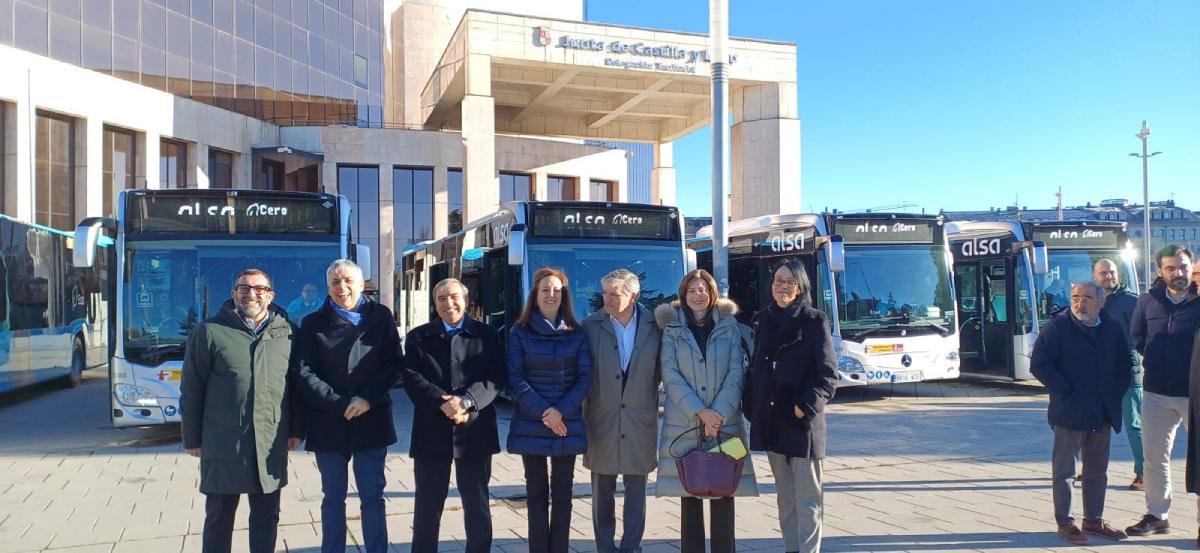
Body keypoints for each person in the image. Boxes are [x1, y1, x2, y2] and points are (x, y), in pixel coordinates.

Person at [181, 269, 302, 553]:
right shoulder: (209, 332)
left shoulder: (286, 332)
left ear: (270, 296)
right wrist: (192, 438)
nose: (251, 294)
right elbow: (192, 389)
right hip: (223, 442)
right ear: (234, 293)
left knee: (266, 516)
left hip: (269, 442)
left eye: (260, 289)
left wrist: (296, 430)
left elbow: (295, 388)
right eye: (244, 288)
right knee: (219, 518)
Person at [292, 259, 402, 553]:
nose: (342, 288)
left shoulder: (381, 316)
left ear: (362, 284)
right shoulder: (313, 323)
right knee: (333, 497)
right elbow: (303, 373)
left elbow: (394, 364)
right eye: (335, 282)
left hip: (372, 418)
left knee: (372, 496)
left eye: (348, 281)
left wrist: (367, 398)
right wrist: (341, 403)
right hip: (329, 421)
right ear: (328, 287)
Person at [654, 269, 757, 553]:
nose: (697, 295)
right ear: (683, 295)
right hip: (686, 421)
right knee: (690, 491)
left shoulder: (728, 326)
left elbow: (736, 372)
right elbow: (670, 375)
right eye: (691, 291)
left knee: (725, 487)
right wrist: (701, 412)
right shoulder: (672, 328)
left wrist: (717, 414)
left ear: (711, 293)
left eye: (702, 290)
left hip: (725, 422)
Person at [402, 278, 504, 553]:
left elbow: (495, 377)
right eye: (441, 298)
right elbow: (411, 376)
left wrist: (467, 401)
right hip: (431, 431)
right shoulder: (418, 337)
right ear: (435, 303)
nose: (449, 303)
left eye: (454, 297)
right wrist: (442, 402)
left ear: (466, 300)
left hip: (475, 431)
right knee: (427, 505)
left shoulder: (488, 335)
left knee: (477, 504)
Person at [743, 259, 837, 553]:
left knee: (807, 499)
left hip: (801, 425)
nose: (782, 287)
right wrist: (751, 404)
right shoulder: (762, 320)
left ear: (800, 287)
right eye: (777, 281)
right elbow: (756, 366)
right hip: (771, 422)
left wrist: (804, 406)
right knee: (785, 499)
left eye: (789, 282)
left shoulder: (814, 321)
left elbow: (828, 376)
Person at [1031, 281, 1132, 544]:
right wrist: (1066, 390)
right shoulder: (1059, 326)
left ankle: (1094, 520)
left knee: (1097, 469)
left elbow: (1124, 364)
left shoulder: (1111, 327)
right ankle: (1066, 523)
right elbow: (1039, 364)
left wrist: (1115, 393)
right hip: (1070, 410)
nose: (1080, 303)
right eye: (1075, 297)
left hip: (1102, 410)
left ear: (1101, 302)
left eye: (1087, 298)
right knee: (1064, 471)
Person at [507, 267, 593, 553]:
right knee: (536, 496)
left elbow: (585, 378)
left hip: (566, 423)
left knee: (563, 496)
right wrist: (547, 413)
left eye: (557, 290)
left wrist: (561, 412)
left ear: (564, 296)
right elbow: (515, 379)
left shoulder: (577, 334)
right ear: (536, 294)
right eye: (545, 289)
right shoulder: (519, 332)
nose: (551, 295)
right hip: (532, 422)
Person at [580, 269, 662, 553]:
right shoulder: (589, 326)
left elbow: (664, 371)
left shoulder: (656, 326)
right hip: (601, 419)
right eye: (605, 293)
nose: (607, 299)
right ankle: (605, 547)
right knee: (601, 491)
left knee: (636, 491)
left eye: (614, 294)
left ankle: (631, 547)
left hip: (639, 419)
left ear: (633, 296)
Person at [1126, 245, 1200, 537]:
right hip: (1156, 392)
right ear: (1160, 271)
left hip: (1195, 393)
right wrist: (1158, 361)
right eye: (1171, 268)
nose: (1178, 273)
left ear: (1191, 268)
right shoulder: (1148, 301)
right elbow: (1137, 337)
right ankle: (1157, 515)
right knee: (1155, 458)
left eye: (1183, 267)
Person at [1093, 258, 1143, 491]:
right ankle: (1092, 469)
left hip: (1127, 372)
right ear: (1095, 277)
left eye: (1112, 272)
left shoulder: (1132, 301)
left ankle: (1144, 472)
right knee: (1093, 423)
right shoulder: (1093, 300)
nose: (1108, 276)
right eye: (1103, 273)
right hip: (1099, 372)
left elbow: (1143, 336)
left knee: (1133, 424)